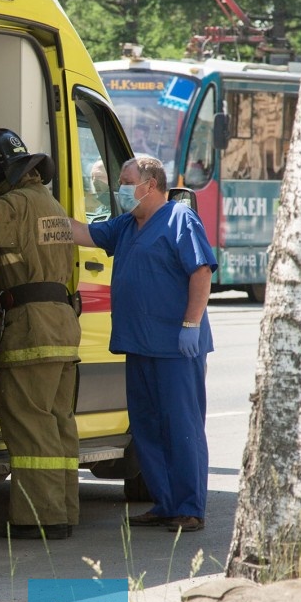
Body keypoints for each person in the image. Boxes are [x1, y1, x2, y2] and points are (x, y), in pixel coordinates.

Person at [68, 155, 215, 533]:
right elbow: (82, 232)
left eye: (125, 180)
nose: (119, 187)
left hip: (176, 346)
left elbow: (200, 272)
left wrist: (191, 324)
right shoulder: (128, 225)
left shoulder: (180, 218)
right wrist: (40, 208)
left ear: (150, 185)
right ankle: (165, 503)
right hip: (139, 345)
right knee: (147, 427)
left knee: (181, 426)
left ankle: (189, 507)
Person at [0, 128, 81, 541]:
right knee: (59, 423)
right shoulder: (53, 206)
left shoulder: (12, 206)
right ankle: (63, 510)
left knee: (30, 424)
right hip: (63, 325)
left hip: (31, 329)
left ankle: (39, 518)